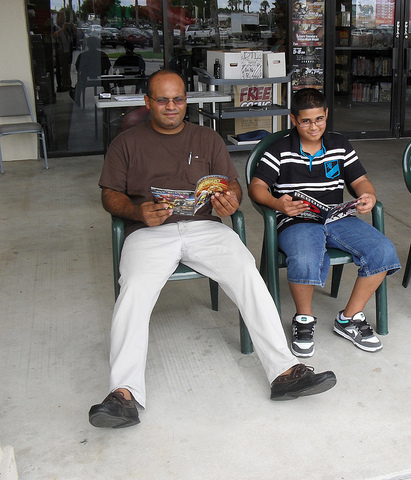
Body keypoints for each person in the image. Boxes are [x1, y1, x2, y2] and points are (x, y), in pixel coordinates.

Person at [89, 70, 336, 429]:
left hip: (204, 227)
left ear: (186, 100)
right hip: (149, 231)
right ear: (147, 102)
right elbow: (109, 195)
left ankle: (284, 372)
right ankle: (124, 394)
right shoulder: (126, 143)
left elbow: (232, 186)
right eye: (162, 100)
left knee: (247, 273)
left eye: (178, 99)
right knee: (134, 290)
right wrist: (137, 211)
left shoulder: (206, 138)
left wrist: (230, 201)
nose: (171, 106)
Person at [248, 88, 400, 358]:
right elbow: (257, 186)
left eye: (319, 119)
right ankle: (304, 318)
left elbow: (359, 180)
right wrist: (277, 203)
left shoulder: (339, 144)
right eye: (305, 121)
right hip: (296, 220)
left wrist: (368, 195)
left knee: (382, 250)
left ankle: (349, 318)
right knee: (305, 256)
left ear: (327, 114)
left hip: (337, 217)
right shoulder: (279, 149)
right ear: (293, 119)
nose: (313, 126)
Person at [74, 35, 111, 106]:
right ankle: (108, 99)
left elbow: (78, 68)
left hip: (85, 78)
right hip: (100, 78)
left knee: (78, 86)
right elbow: (108, 67)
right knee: (107, 85)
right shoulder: (102, 55)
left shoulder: (83, 55)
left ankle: (77, 100)